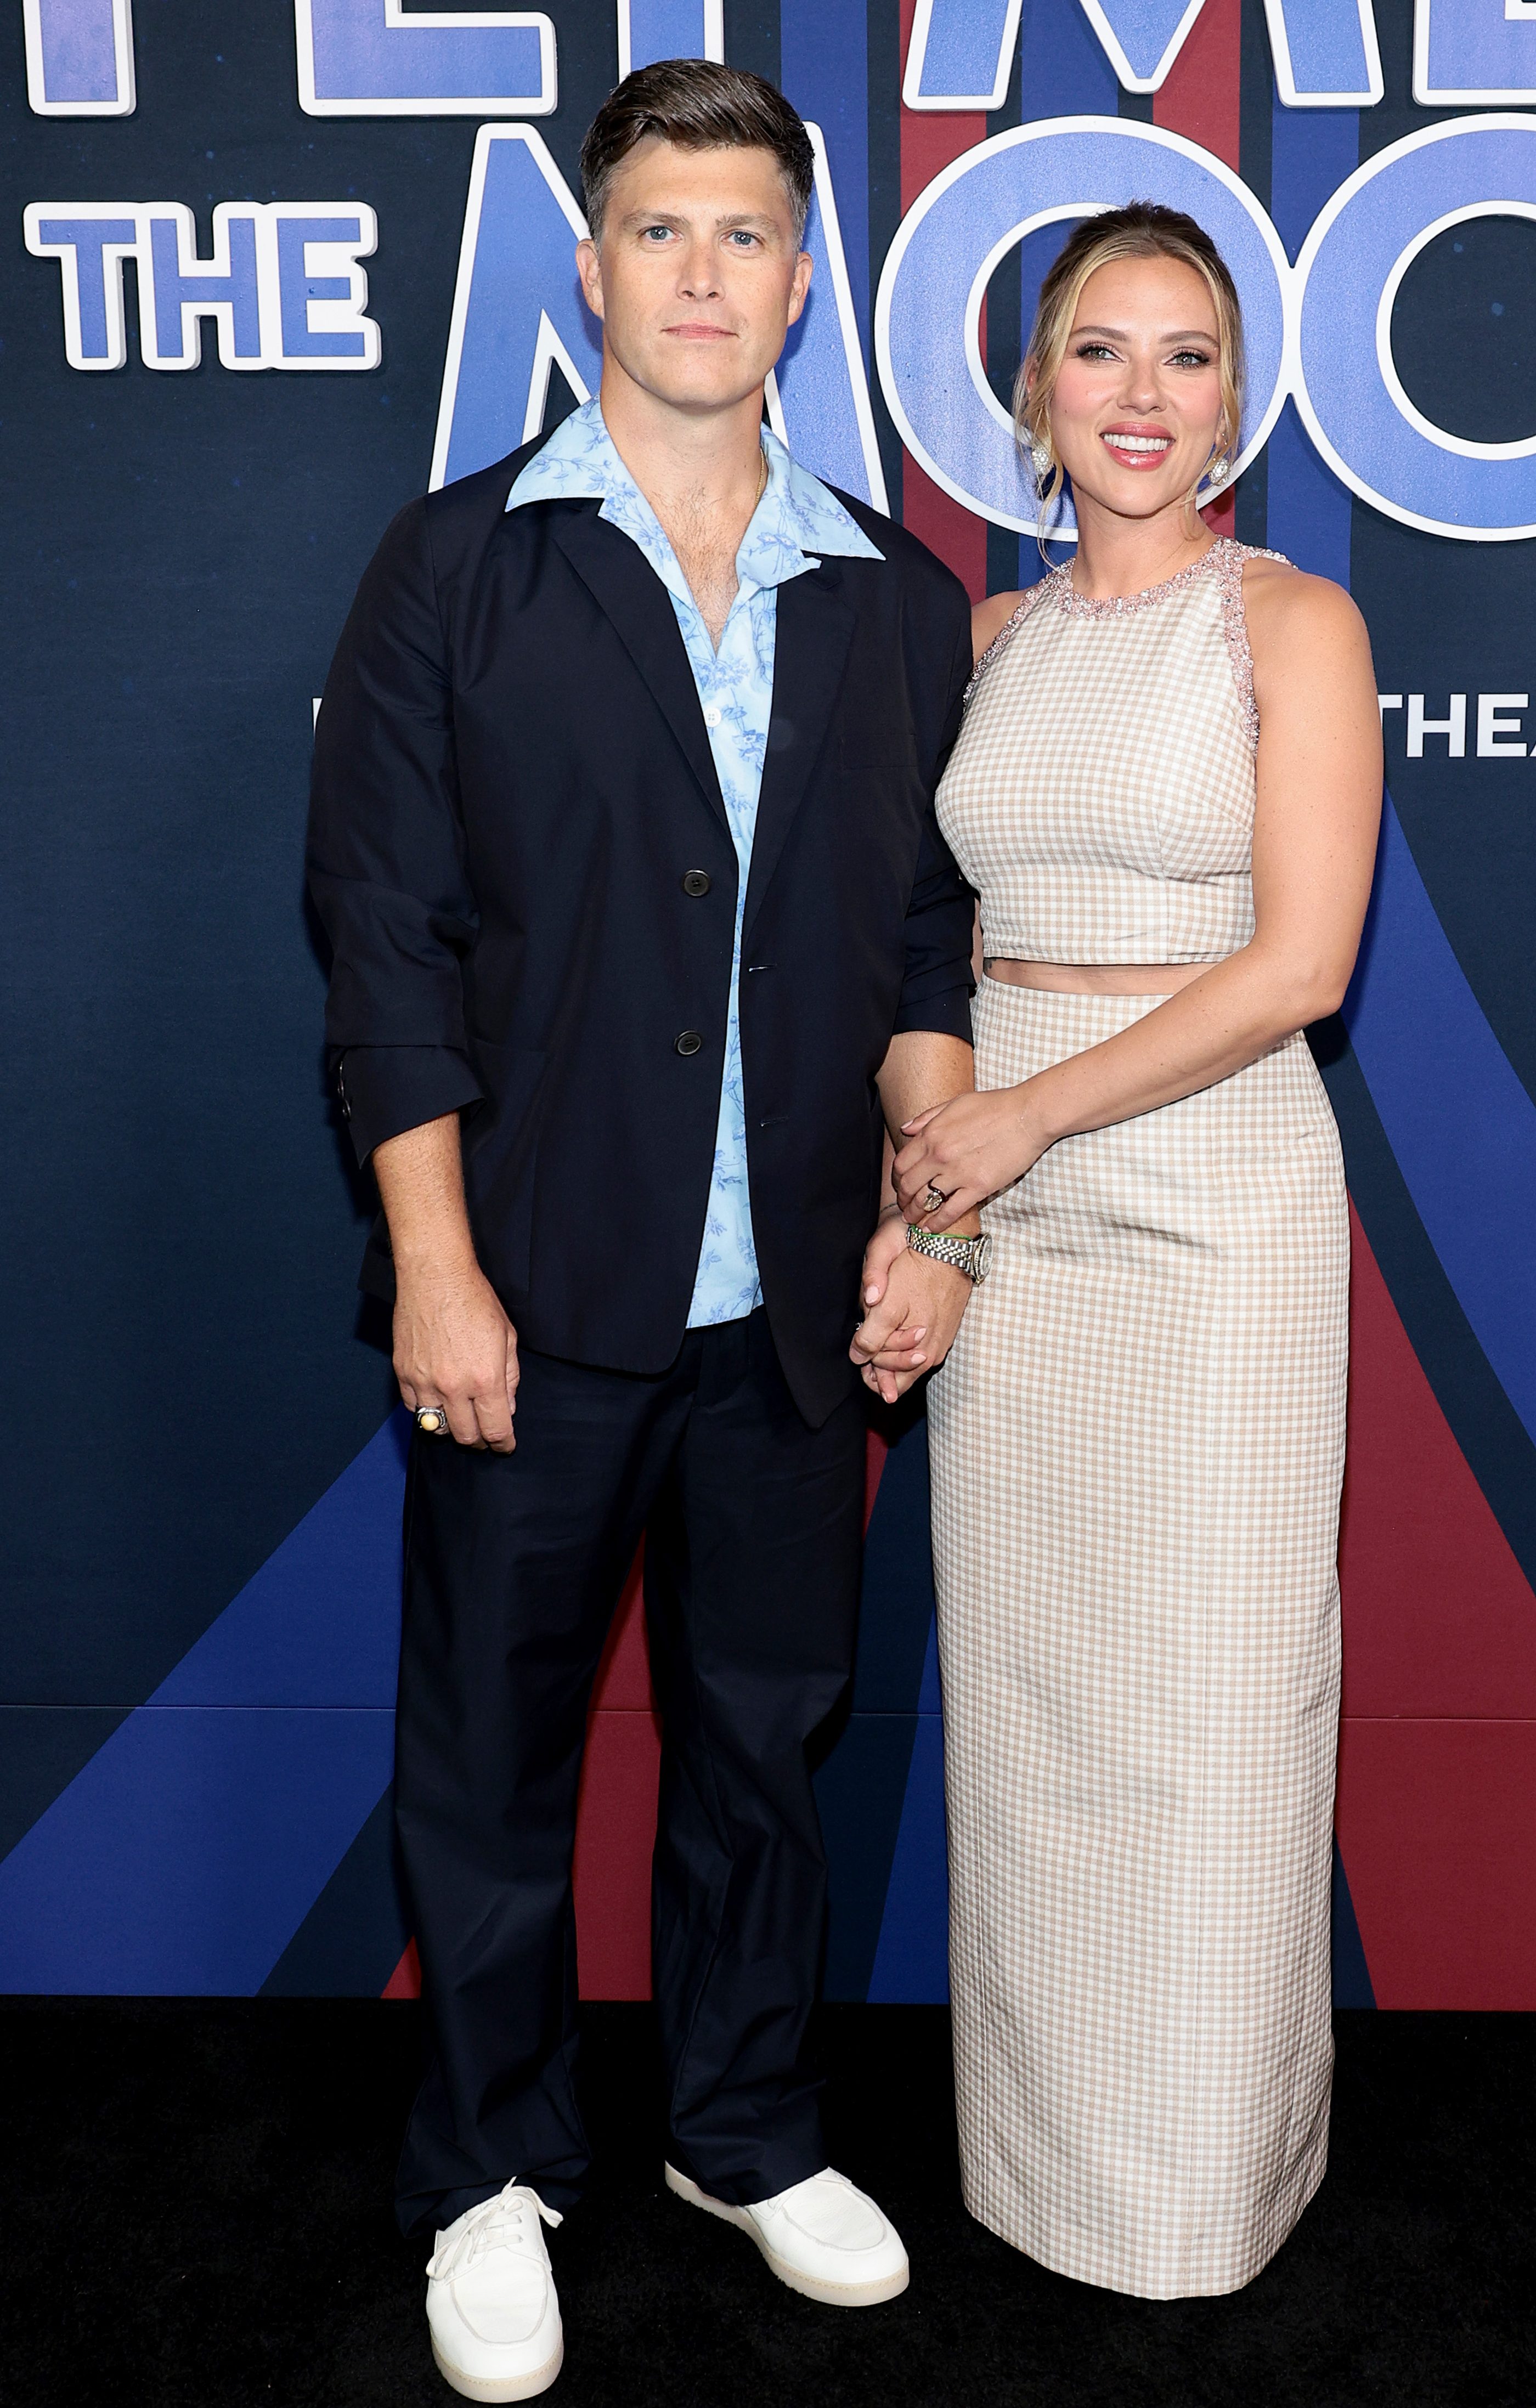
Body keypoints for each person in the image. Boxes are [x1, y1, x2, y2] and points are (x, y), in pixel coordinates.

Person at [307, 60, 987, 2403]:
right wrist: (434, 1259)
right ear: (591, 271)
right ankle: (490, 2171)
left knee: (761, 1744)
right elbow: (383, 944)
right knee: (487, 1754)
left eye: (747, 236)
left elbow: (917, 949)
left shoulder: (894, 598)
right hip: (535, 1297)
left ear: (806, 285)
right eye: (661, 231)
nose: (705, 274)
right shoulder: (458, 566)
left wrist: (931, 1220)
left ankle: (740, 2128)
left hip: (791, 1313)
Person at [893, 204, 1382, 2299]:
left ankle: (1192, 2198)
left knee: (1207, 1703)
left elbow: (1299, 966)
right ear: (1032, 396)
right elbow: (929, 945)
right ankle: (1046, 2170)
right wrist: (943, 1191)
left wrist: (1017, 1118)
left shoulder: (1293, 625)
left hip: (1209, 1201)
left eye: (1186, 360)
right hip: (1005, 1197)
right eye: (1100, 353)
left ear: (1236, 402)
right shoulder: (989, 645)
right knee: (1032, 1697)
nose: (1140, 400)